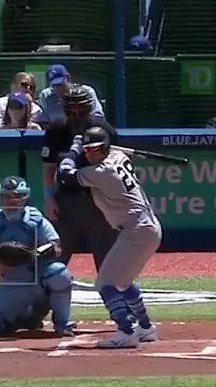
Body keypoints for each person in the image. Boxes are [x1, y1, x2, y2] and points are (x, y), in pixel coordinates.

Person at [56, 127, 161, 349]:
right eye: (87, 150)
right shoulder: (118, 156)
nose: (89, 155)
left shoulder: (103, 172)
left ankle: (126, 330)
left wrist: (74, 150)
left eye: (94, 150)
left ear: (104, 148)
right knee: (123, 282)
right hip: (145, 228)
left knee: (105, 284)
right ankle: (145, 327)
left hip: (137, 230)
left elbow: (65, 175)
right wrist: (86, 146)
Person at [0, 176, 75, 337]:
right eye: (6, 196)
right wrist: (2, 262)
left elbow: (56, 248)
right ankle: (25, 317)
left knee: (58, 273)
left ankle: (62, 322)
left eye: (16, 196)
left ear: (25, 197)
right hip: (12, 285)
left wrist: (32, 255)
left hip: (39, 281)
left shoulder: (36, 221)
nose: (11, 201)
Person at [41, 84, 119, 270]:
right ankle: (46, 296)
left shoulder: (103, 130)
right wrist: (49, 197)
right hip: (67, 200)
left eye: (80, 111)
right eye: (71, 111)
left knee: (108, 263)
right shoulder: (56, 131)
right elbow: (49, 167)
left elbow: (115, 166)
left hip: (99, 200)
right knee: (55, 260)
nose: (76, 115)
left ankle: (115, 296)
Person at [36, 64, 104, 126]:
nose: (58, 88)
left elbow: (99, 117)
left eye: (60, 84)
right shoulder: (45, 95)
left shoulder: (86, 92)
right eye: (54, 85)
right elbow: (42, 121)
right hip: (57, 135)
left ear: (68, 78)